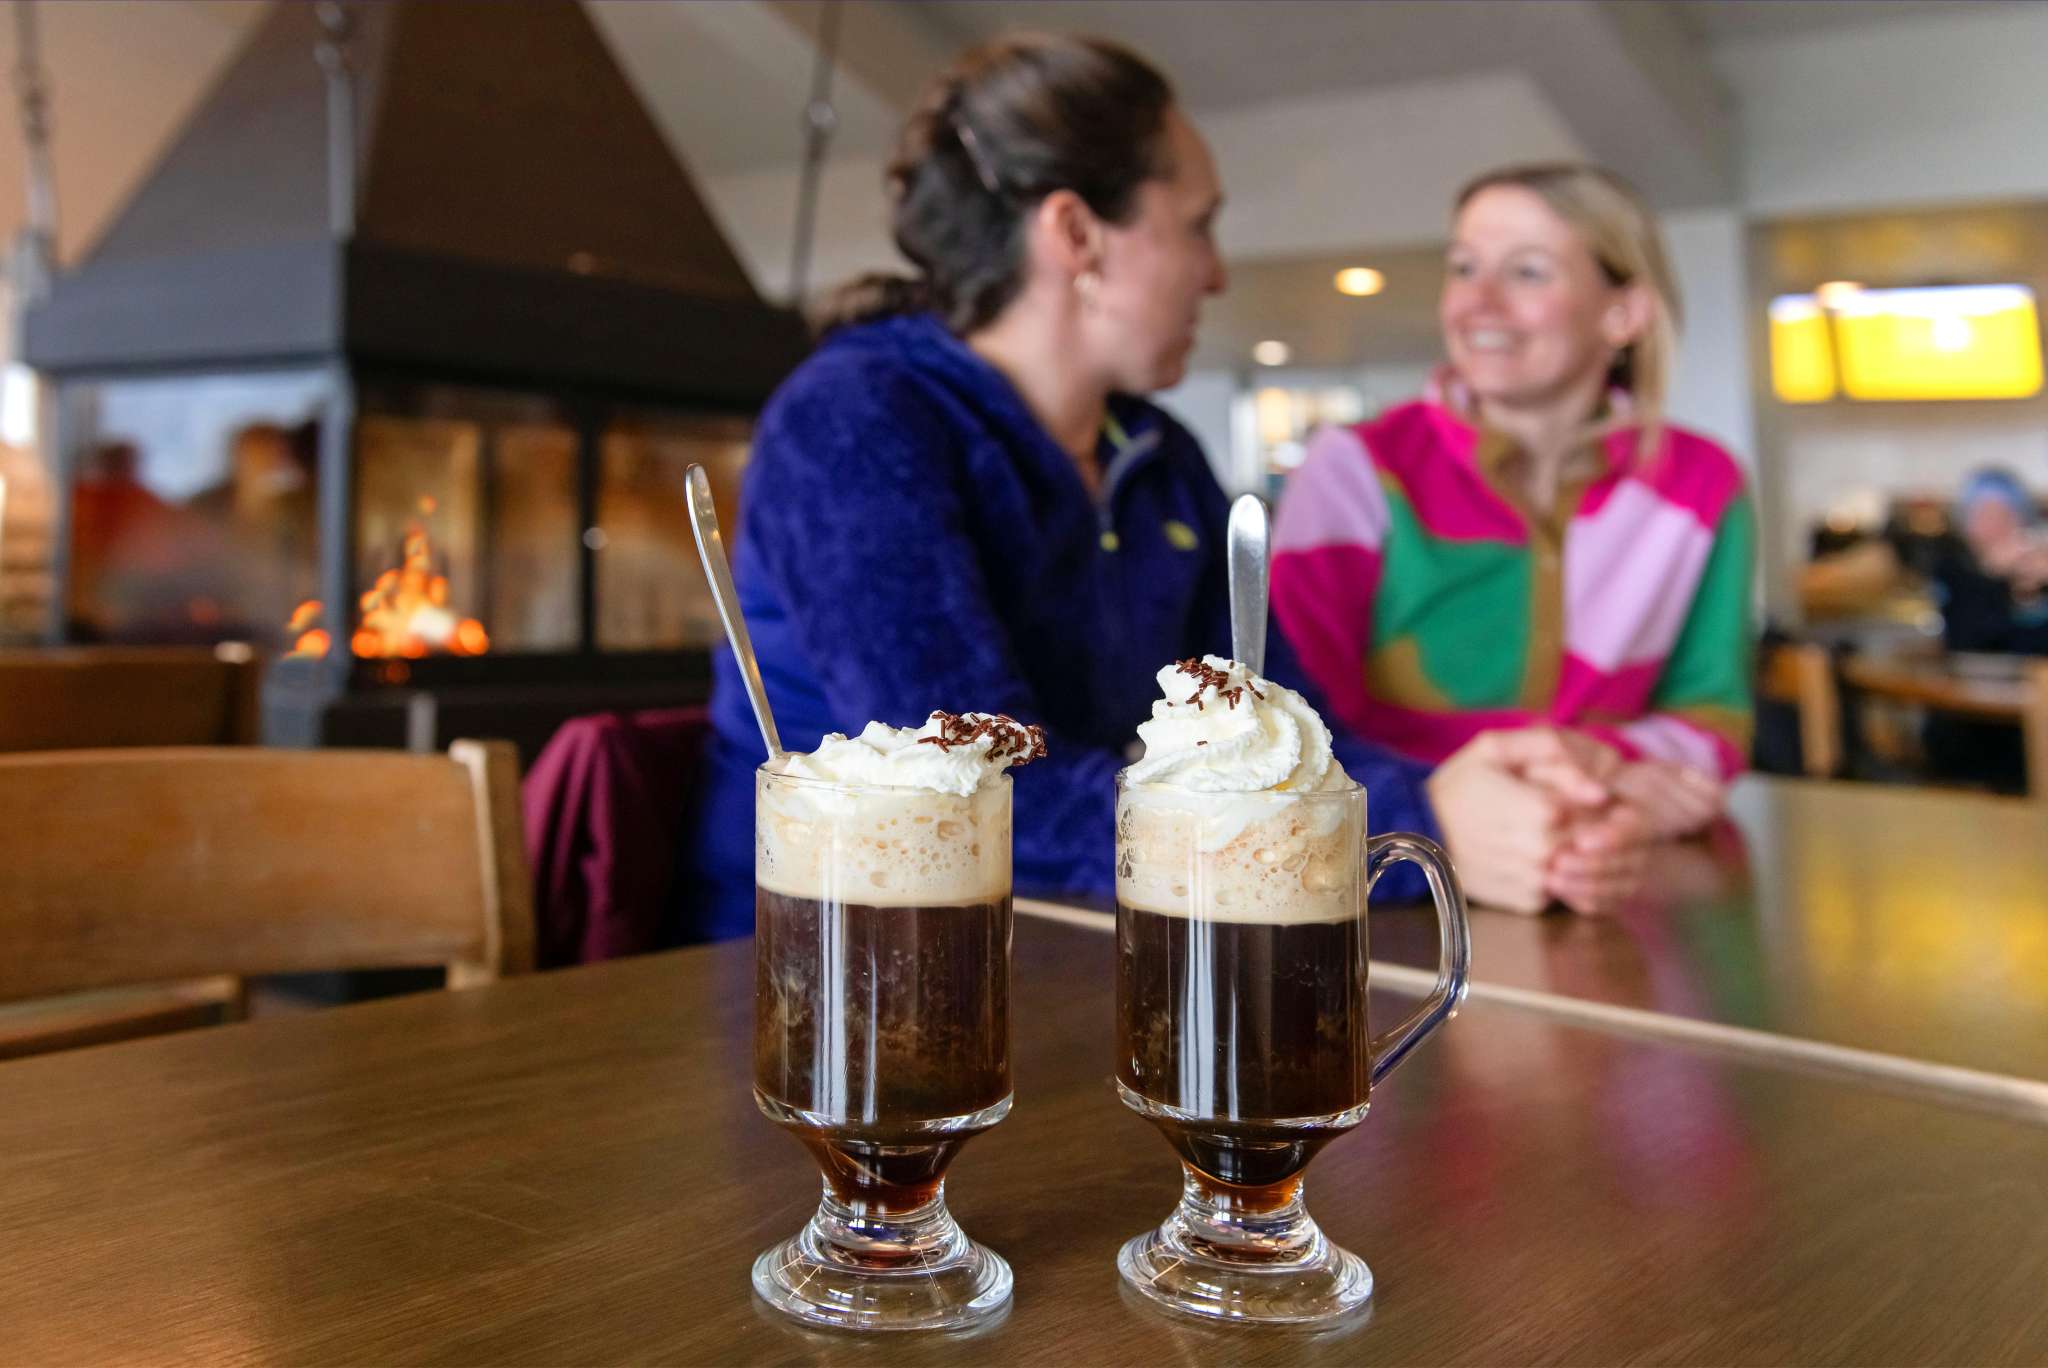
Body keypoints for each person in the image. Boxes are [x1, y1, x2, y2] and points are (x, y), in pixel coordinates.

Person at [687, 39, 1643, 938]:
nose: (1217, 275)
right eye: (1198, 225)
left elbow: (1284, 731)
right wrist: (1416, 821)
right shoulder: (855, 421)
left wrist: (1494, 796)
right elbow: (978, 790)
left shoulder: (1159, 453)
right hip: (831, 971)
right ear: (1077, 235)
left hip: (1113, 946)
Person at [1272, 162, 1753, 852]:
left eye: (1527, 272)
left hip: (1607, 859)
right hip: (1395, 865)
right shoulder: (1354, 468)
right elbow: (1292, 723)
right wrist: (1573, 778)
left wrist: (1594, 772)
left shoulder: (1703, 484)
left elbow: (1715, 717)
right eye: (1464, 268)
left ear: (1624, 313)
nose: (1478, 302)